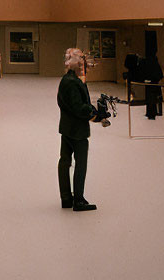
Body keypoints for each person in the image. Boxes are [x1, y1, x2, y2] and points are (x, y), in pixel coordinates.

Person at [57, 48, 99, 212]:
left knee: (64, 161)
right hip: (77, 130)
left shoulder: (65, 80)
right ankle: (78, 200)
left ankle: (66, 197)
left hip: (66, 128)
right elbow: (78, 107)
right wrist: (93, 113)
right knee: (81, 164)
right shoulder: (74, 82)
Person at [142, 37, 163, 120]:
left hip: (150, 84)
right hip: (154, 84)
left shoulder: (148, 64)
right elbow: (160, 75)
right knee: (153, 100)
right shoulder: (156, 65)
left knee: (150, 100)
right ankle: (152, 113)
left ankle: (150, 113)